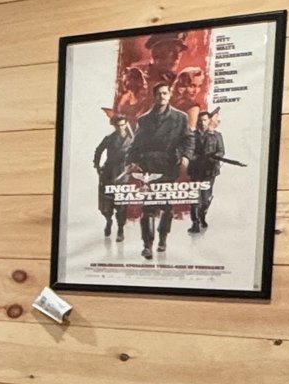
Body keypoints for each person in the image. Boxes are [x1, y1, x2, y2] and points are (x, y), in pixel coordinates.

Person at [128, 81, 191, 258]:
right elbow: (136, 144)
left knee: (166, 207)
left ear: (169, 95)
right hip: (149, 167)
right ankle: (147, 245)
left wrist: (186, 157)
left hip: (169, 166)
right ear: (154, 96)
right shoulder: (144, 119)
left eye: (165, 93)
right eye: (158, 94)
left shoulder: (181, 118)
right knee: (147, 207)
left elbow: (188, 139)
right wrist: (132, 161)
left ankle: (163, 239)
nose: (162, 96)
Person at [91, 116, 136, 244]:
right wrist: (97, 166)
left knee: (121, 204)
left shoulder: (132, 140)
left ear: (126, 124)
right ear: (114, 126)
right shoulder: (109, 138)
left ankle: (120, 229)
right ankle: (108, 221)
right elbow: (98, 151)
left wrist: (133, 164)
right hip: (109, 174)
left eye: (122, 125)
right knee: (107, 203)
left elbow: (137, 154)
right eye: (118, 125)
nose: (120, 128)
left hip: (123, 175)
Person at [186, 107, 224, 233]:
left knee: (206, 198)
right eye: (200, 120)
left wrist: (214, 157)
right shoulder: (192, 136)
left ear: (209, 121)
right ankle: (195, 222)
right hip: (196, 170)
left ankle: (202, 216)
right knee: (194, 197)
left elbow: (221, 151)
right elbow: (188, 150)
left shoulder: (216, 135)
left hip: (209, 171)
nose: (202, 123)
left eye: (205, 120)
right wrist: (193, 157)